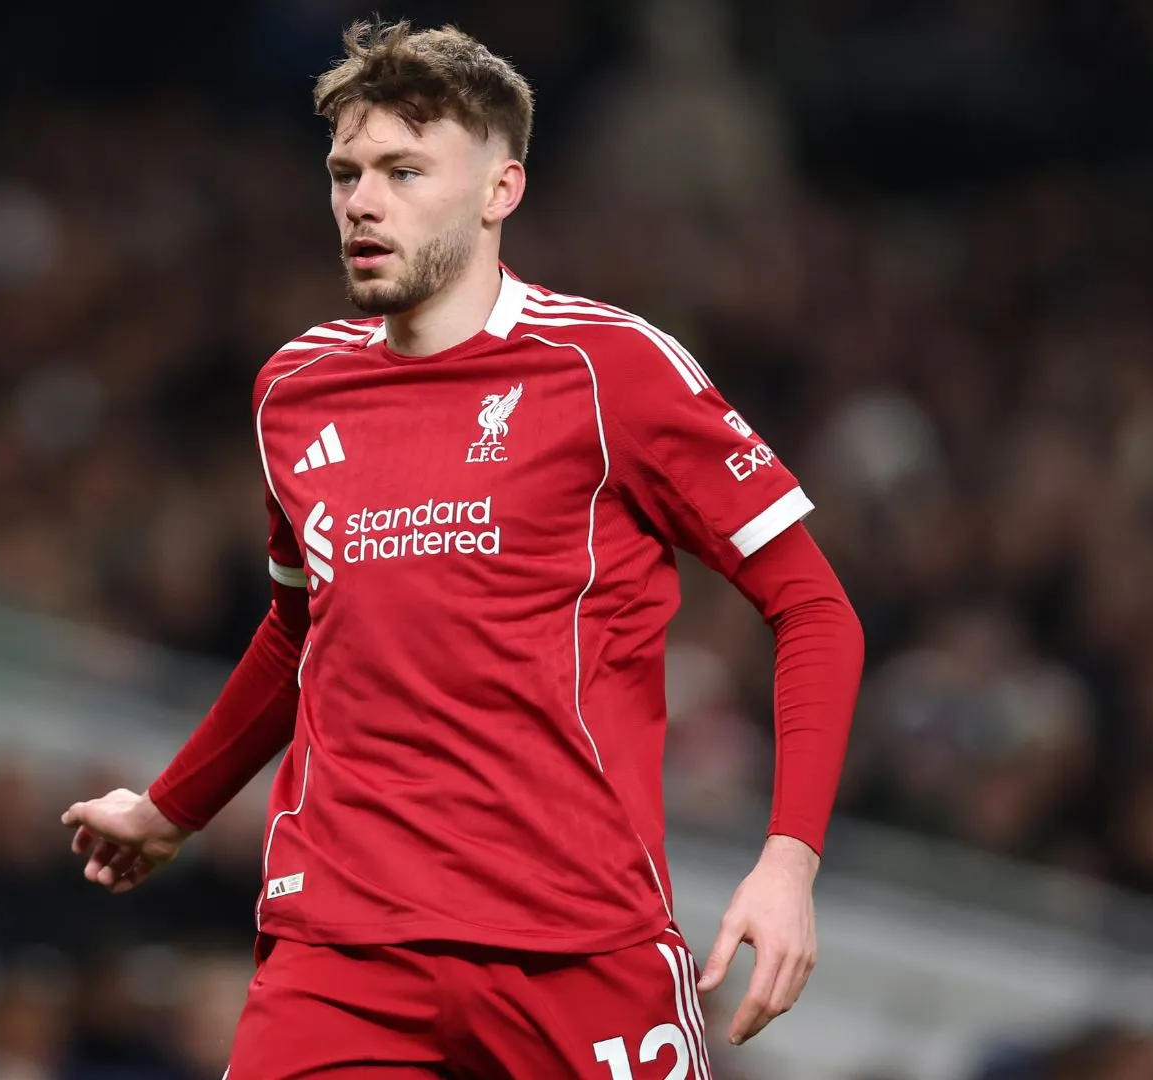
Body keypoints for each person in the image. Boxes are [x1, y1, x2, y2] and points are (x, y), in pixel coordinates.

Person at [62, 19, 863, 1078]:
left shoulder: (608, 370)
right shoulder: (294, 391)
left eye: (404, 169)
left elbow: (814, 609)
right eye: (346, 171)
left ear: (501, 191)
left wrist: (788, 862)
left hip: (577, 945)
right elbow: (303, 632)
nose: (362, 200)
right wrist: (173, 808)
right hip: (341, 950)